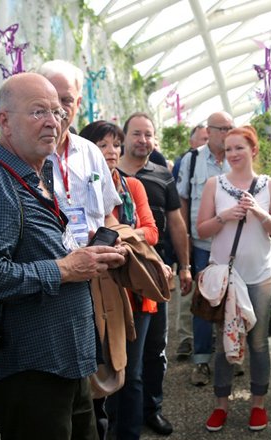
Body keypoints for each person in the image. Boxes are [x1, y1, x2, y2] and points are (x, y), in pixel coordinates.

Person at [0, 72, 126, 439]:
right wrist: (63, 269)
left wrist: (85, 256)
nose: (53, 121)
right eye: (37, 112)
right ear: (4, 121)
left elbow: (44, 249)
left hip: (63, 363)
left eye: (58, 112)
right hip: (29, 373)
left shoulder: (35, 175)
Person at [194, 126, 271, 433]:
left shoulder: (269, 185)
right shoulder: (215, 184)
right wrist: (225, 216)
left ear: (253, 151)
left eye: (240, 148)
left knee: (259, 342)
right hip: (226, 278)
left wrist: (259, 213)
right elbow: (201, 230)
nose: (233, 154)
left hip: (260, 276)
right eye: (228, 149)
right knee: (224, 343)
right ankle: (221, 404)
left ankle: (258, 404)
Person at [79, 120, 160, 440]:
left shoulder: (131, 186)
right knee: (100, 369)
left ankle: (127, 433)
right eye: (103, 145)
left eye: (115, 145)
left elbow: (152, 232)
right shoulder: (84, 183)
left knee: (132, 370)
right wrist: (127, 237)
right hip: (98, 288)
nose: (111, 152)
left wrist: (121, 239)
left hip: (135, 289)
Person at [115, 112, 192, 438]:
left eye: (148, 134)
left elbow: (176, 223)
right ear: (124, 137)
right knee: (124, 354)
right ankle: (122, 419)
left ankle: (152, 409)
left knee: (155, 350)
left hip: (155, 275)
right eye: (137, 134)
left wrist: (185, 266)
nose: (143, 140)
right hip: (119, 277)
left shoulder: (163, 175)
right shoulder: (108, 173)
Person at [177, 112, 234, 386]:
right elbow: (183, 203)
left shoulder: (237, 158)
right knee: (203, 303)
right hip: (202, 246)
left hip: (233, 246)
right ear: (208, 131)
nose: (226, 133)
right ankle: (201, 361)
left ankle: (231, 357)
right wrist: (185, 240)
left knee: (234, 302)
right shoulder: (193, 160)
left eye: (230, 128)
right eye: (221, 128)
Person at [39, 60, 121, 247]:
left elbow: (107, 215)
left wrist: (114, 238)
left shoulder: (91, 152)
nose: (58, 108)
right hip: (51, 271)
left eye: (66, 100)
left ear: (78, 103)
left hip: (94, 269)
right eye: (51, 98)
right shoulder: (28, 155)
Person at [170, 124, 209, 360]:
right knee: (188, 289)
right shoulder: (187, 162)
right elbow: (179, 202)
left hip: (214, 240)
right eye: (203, 138)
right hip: (192, 238)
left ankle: (207, 339)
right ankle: (186, 338)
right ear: (192, 142)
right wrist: (184, 237)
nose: (207, 142)